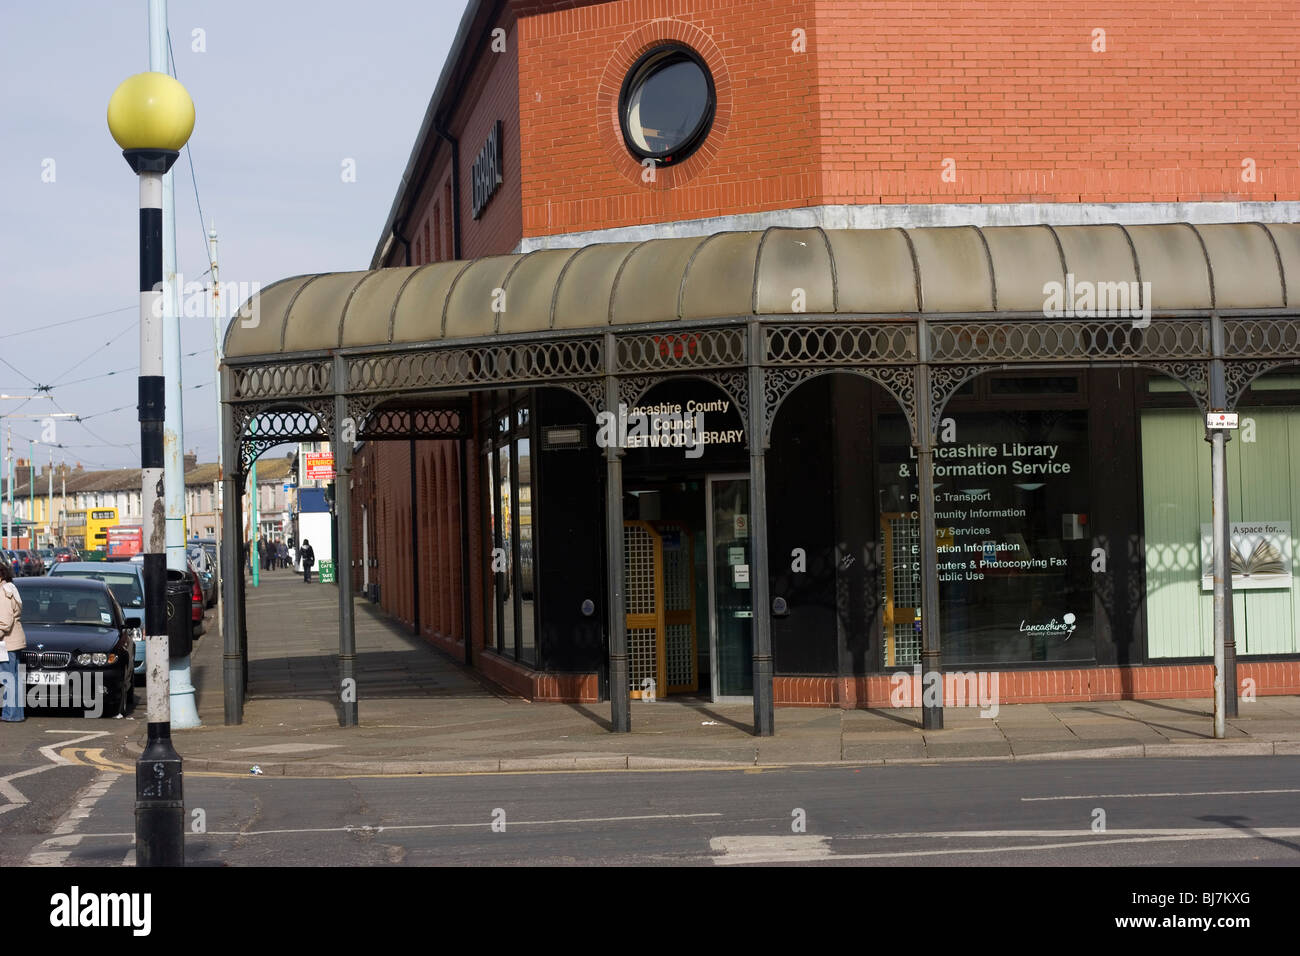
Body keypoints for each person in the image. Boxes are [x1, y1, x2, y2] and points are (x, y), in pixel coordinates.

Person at [0, 561, 26, 722]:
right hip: (13, 641)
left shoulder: (3, 592)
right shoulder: (10, 588)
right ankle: (15, 714)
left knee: (8, 678)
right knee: (13, 678)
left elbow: (4, 622)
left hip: (6, 642)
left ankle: (11, 714)